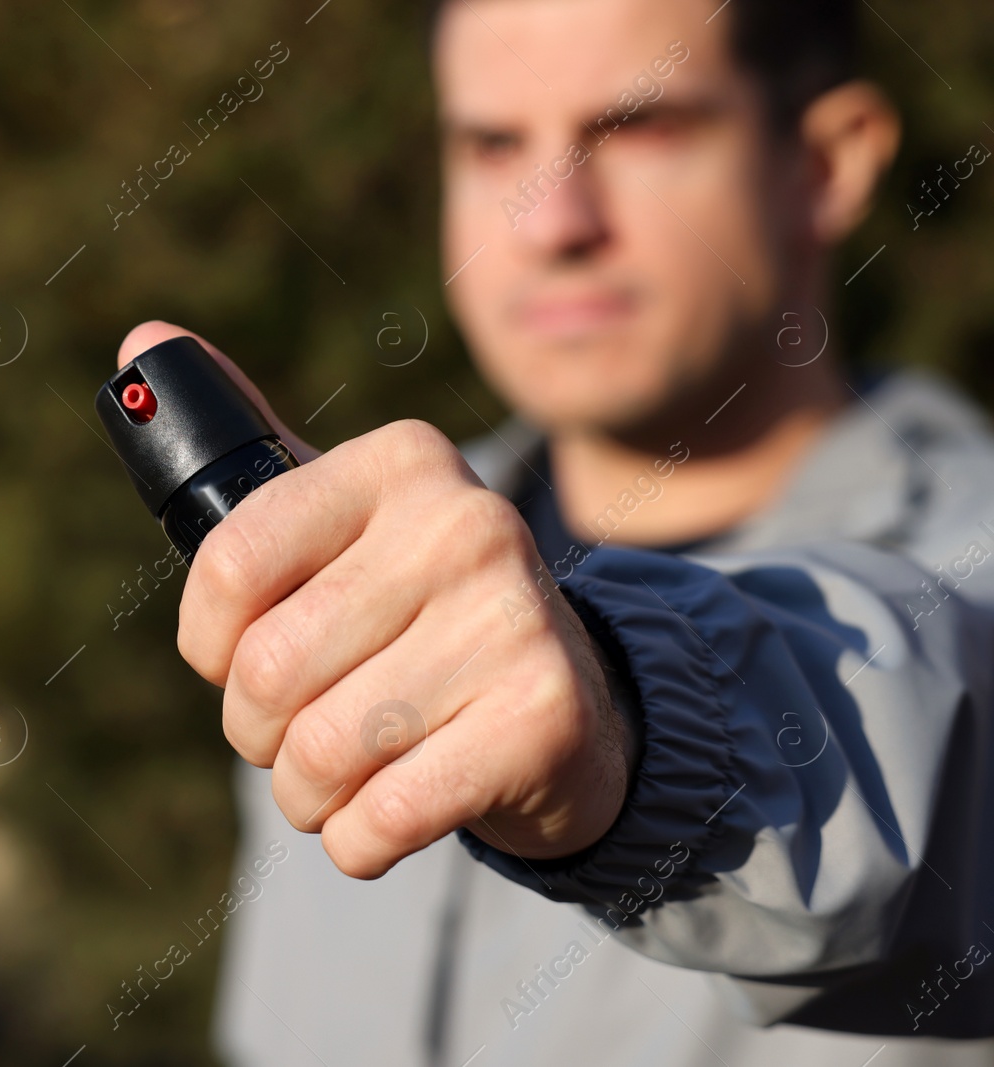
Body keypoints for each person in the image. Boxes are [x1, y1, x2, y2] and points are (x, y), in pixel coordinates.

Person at [112, 0, 994, 1063]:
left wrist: (633, 722)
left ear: (826, 162)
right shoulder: (343, 566)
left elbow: (940, 736)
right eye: (494, 144)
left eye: (642, 129)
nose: (550, 220)